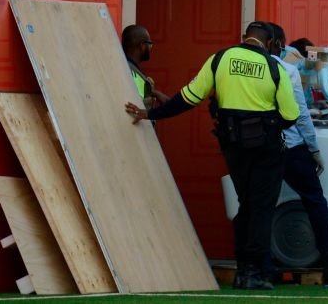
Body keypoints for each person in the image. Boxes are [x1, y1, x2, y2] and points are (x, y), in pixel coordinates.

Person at [125, 21, 299, 290]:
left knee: (246, 206)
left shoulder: (220, 59)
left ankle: (243, 271)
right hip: (266, 150)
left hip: (233, 147)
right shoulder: (275, 68)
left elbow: (188, 97)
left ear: (244, 38)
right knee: (261, 209)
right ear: (267, 44)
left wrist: (151, 114)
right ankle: (253, 272)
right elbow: (290, 116)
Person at [268, 23, 328, 284]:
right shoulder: (290, 70)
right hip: (291, 146)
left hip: (263, 147)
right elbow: (301, 113)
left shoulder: (256, 69)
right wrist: (314, 148)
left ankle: (260, 265)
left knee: (259, 205)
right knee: (315, 201)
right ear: (279, 43)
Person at [121, 24, 168, 108]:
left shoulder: (125, 67)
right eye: (150, 44)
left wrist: (154, 93)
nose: (151, 47)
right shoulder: (130, 72)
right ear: (142, 45)